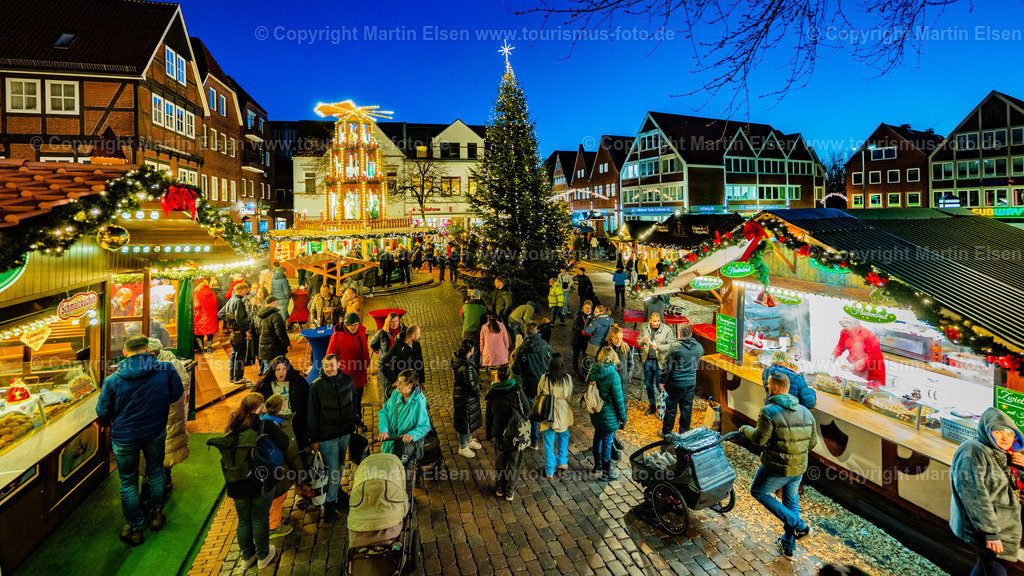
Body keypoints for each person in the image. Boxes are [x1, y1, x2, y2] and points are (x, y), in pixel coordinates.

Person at [96, 336, 184, 545]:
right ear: (147, 349)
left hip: (125, 438)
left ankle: (136, 528)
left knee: (128, 480)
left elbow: (103, 413)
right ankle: (156, 514)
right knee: (156, 471)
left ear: (125, 353)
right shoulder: (166, 369)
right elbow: (176, 395)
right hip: (155, 431)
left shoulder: (113, 380)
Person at [742, 372, 818, 560]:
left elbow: (759, 440)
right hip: (799, 468)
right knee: (791, 503)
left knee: (758, 492)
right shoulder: (805, 411)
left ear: (775, 388)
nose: (767, 387)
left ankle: (800, 525)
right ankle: (788, 544)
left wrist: (744, 429)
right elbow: (812, 443)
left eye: (768, 385)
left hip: (777, 468)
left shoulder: (769, 411)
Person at [950, 407, 1024, 576]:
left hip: (1002, 525)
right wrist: (990, 532)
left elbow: (1016, 483)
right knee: (995, 570)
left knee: (984, 567)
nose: (1005, 437)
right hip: (983, 528)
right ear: (987, 430)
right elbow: (974, 495)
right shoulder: (972, 450)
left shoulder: (1008, 452)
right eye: (999, 432)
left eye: (1010, 433)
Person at [222, 392, 288, 569]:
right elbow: (284, 443)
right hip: (260, 479)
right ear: (260, 408)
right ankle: (263, 556)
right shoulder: (265, 424)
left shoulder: (232, 426)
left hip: (236, 480)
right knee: (259, 518)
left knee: (243, 520)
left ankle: (246, 557)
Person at [307, 354, 359, 523]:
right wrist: (313, 439)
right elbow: (312, 414)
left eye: (332, 365)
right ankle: (329, 507)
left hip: (344, 433)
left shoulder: (348, 380)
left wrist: (354, 419)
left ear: (338, 364)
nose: (329, 368)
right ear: (323, 367)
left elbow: (354, 401)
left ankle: (336, 498)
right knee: (334, 471)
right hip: (326, 437)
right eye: (326, 365)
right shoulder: (316, 387)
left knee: (340, 467)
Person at [145, 338, 190, 495]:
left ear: (153, 352)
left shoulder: (169, 363)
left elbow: (184, 381)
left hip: (168, 413)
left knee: (167, 448)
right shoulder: (144, 364)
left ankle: (164, 480)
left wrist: (164, 397)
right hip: (153, 414)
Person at [261, 393, 304, 539]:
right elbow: (291, 451)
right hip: (278, 467)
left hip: (264, 466)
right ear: (282, 407)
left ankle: (272, 520)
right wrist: (300, 471)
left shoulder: (261, 421)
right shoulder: (282, 425)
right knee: (278, 496)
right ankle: (273, 526)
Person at [485, 364, 530, 501]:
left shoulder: (493, 395)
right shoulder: (517, 390)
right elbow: (527, 410)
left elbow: (488, 417)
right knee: (514, 462)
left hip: (499, 434)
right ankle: (509, 492)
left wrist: (489, 434)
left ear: (497, 377)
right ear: (509, 376)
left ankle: (499, 489)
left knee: (500, 462)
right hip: (515, 434)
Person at [254, 356, 311, 463]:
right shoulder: (264, 384)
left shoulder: (299, 382)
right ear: (273, 370)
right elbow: (253, 402)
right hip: (273, 426)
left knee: (297, 456)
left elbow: (308, 405)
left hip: (295, 425)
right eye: (278, 369)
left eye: (284, 369)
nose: (281, 373)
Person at [377, 369, 432, 467]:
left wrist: (411, 434)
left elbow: (425, 426)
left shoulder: (419, 401)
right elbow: (384, 412)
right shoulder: (396, 394)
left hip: (405, 448)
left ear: (410, 385)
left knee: (402, 476)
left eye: (401, 382)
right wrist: (384, 430)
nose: (397, 384)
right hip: (390, 442)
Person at [587, 347, 626, 480]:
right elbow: (618, 399)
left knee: (597, 436)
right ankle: (606, 472)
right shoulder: (613, 375)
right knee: (607, 441)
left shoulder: (594, 369)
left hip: (596, 412)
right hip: (608, 414)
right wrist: (623, 418)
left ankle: (597, 465)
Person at [511, 322, 552, 449]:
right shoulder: (547, 346)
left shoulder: (522, 349)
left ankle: (534, 441)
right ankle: (548, 439)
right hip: (544, 384)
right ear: (537, 331)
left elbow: (516, 370)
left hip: (529, 385)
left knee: (533, 414)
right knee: (546, 410)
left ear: (525, 332)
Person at [660, 325, 703, 437]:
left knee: (671, 409)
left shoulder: (675, 347)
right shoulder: (699, 347)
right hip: (691, 383)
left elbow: (667, 365)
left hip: (675, 383)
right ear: (691, 334)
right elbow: (700, 356)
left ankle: (667, 434)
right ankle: (684, 435)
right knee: (686, 410)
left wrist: (662, 381)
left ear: (680, 334)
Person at [326, 313, 370, 418]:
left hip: (360, 373)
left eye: (357, 324)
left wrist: (367, 362)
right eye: (352, 325)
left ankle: (358, 417)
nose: (355, 327)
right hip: (346, 376)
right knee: (348, 402)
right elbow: (330, 356)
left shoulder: (361, 333)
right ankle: (349, 421)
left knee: (359, 398)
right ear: (346, 325)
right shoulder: (336, 337)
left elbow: (365, 350)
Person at [538, 353, 573, 479]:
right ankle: (563, 461)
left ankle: (549, 470)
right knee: (564, 435)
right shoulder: (567, 378)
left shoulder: (545, 378)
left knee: (548, 441)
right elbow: (570, 396)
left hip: (549, 411)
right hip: (562, 410)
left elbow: (539, 393)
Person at [452, 340, 485, 458]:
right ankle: (462, 446)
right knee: (463, 421)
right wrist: (477, 392)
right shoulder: (466, 366)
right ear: (471, 350)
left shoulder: (463, 362)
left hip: (463, 396)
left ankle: (468, 439)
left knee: (467, 419)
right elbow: (470, 384)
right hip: (465, 398)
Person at [638, 312, 674, 414]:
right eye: (654, 321)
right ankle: (652, 406)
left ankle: (663, 408)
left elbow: (671, 346)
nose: (657, 323)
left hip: (660, 362)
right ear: (650, 320)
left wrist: (659, 347)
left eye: (658, 320)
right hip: (647, 360)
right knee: (649, 385)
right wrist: (642, 341)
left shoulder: (667, 330)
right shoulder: (644, 327)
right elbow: (638, 341)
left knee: (660, 386)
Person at [833, 318, 886, 386]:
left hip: (873, 371)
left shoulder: (869, 336)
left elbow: (873, 357)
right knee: (856, 389)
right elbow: (840, 347)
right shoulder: (844, 332)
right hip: (857, 370)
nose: (844, 327)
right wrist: (833, 357)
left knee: (872, 394)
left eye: (846, 324)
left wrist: (856, 365)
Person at [219, 282, 253, 385]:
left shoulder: (230, 300)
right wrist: (247, 329)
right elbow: (240, 319)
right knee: (240, 356)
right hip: (239, 333)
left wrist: (230, 322)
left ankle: (232, 377)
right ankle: (238, 378)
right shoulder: (238, 302)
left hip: (233, 334)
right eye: (245, 290)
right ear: (240, 291)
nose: (247, 292)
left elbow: (220, 314)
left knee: (234, 355)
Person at [380, 325, 425, 398]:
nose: (419, 335)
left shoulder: (416, 345)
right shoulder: (398, 347)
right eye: (418, 334)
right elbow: (384, 363)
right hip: (404, 387)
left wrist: (421, 380)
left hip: (414, 385)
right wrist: (394, 380)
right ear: (413, 336)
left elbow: (420, 362)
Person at [257, 296, 290, 365]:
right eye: (276, 303)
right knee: (279, 367)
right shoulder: (276, 316)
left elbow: (257, 331)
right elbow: (281, 333)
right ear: (273, 302)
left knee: (267, 368)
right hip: (276, 348)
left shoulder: (258, 316)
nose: (277, 304)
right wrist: (287, 344)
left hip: (263, 348)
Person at [461, 289, 488, 365]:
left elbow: (464, 318)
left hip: (466, 331)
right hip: (476, 332)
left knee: (466, 350)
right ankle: (475, 368)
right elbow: (484, 322)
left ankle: (466, 366)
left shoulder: (465, 307)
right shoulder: (482, 308)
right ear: (478, 297)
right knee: (475, 351)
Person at [193, 279, 219, 353]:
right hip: (211, 316)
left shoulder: (197, 294)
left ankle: (201, 349)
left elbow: (197, 305)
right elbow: (216, 305)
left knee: (199, 333)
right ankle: (209, 348)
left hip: (200, 317)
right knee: (210, 333)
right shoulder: (213, 294)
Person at [570, 300, 594, 377]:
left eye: (589, 308)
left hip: (585, 340)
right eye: (585, 308)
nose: (587, 309)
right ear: (583, 307)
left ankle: (584, 371)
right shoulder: (578, 314)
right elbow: (575, 326)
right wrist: (584, 330)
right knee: (575, 355)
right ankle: (575, 371)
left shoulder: (593, 315)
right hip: (577, 339)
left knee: (585, 356)